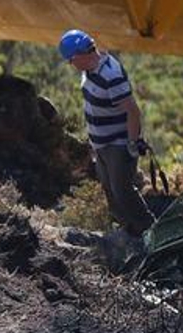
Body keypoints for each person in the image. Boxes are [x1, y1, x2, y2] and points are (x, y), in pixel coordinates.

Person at [58, 28, 155, 233]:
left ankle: (149, 230)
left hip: (117, 144)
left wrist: (132, 143)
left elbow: (133, 111)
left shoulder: (111, 75)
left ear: (79, 56)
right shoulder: (89, 69)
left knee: (123, 191)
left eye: (71, 61)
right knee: (109, 189)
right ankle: (128, 231)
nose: (71, 65)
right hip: (100, 144)